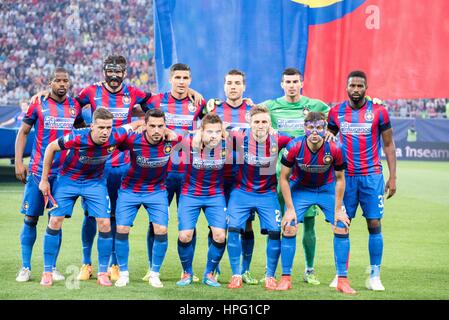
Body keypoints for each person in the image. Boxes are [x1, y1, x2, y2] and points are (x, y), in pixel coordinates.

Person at [38, 108, 142, 287]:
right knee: (55, 221)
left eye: (108, 127)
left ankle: (102, 272)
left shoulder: (116, 134)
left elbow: (135, 124)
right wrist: (44, 180)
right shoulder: (77, 137)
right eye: (101, 127)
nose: (105, 132)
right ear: (92, 126)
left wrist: (142, 125)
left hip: (95, 183)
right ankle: (47, 271)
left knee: (105, 223)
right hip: (68, 180)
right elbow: (50, 147)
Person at [327, 70, 397, 291]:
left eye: (360, 86)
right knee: (341, 225)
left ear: (366, 88)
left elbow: (388, 144)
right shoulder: (336, 112)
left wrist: (392, 176)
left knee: (374, 224)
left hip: (372, 177)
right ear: (346, 87)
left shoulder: (379, 111)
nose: (356, 90)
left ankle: (374, 275)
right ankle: (340, 275)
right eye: (352, 86)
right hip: (345, 178)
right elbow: (328, 138)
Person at [261, 67, 331, 284]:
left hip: (306, 177)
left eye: (295, 81)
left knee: (308, 224)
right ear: (281, 84)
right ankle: (271, 271)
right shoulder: (271, 106)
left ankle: (309, 270)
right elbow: (249, 112)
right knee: (277, 225)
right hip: (279, 174)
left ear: (302, 83)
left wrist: (332, 131)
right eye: (287, 82)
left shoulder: (315, 105)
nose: (291, 85)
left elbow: (337, 116)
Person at [14, 67, 83, 282]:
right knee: (31, 218)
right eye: (58, 80)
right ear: (50, 82)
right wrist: (18, 162)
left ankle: (51, 267)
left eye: (65, 81)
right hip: (37, 171)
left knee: (56, 220)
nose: (62, 84)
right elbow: (23, 132)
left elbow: (82, 133)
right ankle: (25, 267)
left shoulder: (75, 106)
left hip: (63, 174)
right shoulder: (38, 103)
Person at [141, 63, 207, 282]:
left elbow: (211, 125)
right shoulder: (155, 100)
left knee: (188, 223)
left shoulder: (198, 103)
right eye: (177, 77)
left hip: (189, 172)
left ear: (190, 80)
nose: (181, 81)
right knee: (156, 222)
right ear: (170, 79)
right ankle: (152, 268)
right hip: (162, 173)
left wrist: (198, 95)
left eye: (185, 77)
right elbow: (133, 105)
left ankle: (186, 269)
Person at [277, 111, 355, 294]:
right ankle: (285, 278)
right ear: (304, 128)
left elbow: (341, 179)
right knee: (289, 226)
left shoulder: (336, 147)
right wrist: (289, 209)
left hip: (327, 189)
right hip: (301, 188)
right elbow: (284, 178)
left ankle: (342, 280)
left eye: (319, 128)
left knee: (342, 225)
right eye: (310, 128)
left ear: (325, 128)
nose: (314, 132)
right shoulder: (294, 146)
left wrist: (337, 210)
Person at [226, 105, 292, 290]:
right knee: (233, 229)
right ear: (249, 123)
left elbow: (298, 143)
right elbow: (220, 130)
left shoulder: (278, 138)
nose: (260, 125)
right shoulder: (238, 135)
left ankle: (270, 276)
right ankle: (236, 274)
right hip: (241, 192)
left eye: (264, 122)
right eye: (256, 122)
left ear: (270, 124)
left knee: (274, 232)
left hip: (267, 193)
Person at [113, 109, 178, 288]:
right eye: (152, 126)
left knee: (162, 230)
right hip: (130, 190)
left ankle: (154, 273)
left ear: (165, 126)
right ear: (145, 126)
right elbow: (115, 138)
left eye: (160, 126)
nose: (156, 130)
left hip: (156, 190)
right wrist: (132, 126)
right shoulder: (133, 140)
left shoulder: (173, 140)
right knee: (122, 228)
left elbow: (196, 140)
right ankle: (124, 273)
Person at [207, 69, 258, 284]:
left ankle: (244, 269)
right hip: (219, 176)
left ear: (244, 86)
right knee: (216, 224)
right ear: (224, 85)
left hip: (244, 177)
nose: (233, 86)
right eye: (229, 82)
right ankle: (214, 268)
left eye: (237, 83)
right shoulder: (214, 110)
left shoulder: (253, 110)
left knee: (246, 224)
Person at [175, 114, 229, 287]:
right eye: (209, 131)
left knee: (220, 236)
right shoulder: (188, 141)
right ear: (201, 131)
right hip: (190, 194)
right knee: (185, 236)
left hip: (215, 195)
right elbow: (169, 133)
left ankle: (209, 273)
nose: (213, 135)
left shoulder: (229, 145)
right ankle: (187, 273)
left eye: (217, 132)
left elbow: (250, 132)